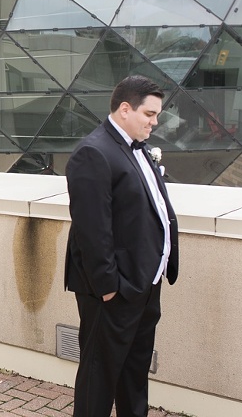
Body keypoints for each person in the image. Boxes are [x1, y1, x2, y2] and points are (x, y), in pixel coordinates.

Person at [64, 76, 179, 417]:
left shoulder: (138, 146)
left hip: (146, 283)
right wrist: (109, 288)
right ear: (125, 108)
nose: (154, 122)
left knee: (135, 371)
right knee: (99, 376)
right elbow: (92, 230)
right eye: (149, 113)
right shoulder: (93, 152)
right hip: (114, 291)